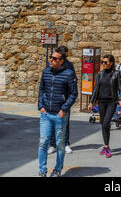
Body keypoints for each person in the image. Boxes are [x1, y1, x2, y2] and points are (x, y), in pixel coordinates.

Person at [38, 48, 78, 177]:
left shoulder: (68, 74)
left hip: (59, 115)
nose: (51, 60)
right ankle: (42, 170)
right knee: (43, 142)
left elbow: (73, 94)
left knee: (60, 144)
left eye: (54, 58)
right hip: (46, 114)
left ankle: (57, 169)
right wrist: (41, 106)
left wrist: (64, 109)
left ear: (61, 61)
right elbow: (41, 90)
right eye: (51, 57)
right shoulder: (46, 72)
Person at [88, 55, 120, 158]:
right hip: (101, 102)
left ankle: (106, 147)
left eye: (105, 62)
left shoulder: (116, 74)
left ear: (111, 63)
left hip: (111, 102)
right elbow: (95, 89)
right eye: (103, 62)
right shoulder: (100, 74)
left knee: (106, 124)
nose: (103, 64)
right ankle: (106, 146)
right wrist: (91, 102)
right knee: (103, 124)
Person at [48, 45, 77, 155]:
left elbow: (74, 79)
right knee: (52, 122)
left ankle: (66, 143)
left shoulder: (69, 65)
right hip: (53, 98)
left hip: (65, 98)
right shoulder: (51, 64)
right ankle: (52, 144)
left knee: (65, 122)